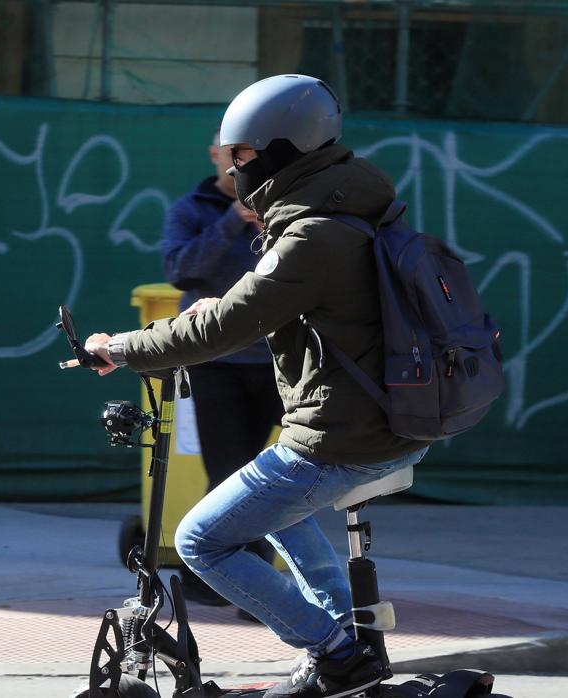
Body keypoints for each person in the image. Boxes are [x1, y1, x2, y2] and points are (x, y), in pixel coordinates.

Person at [82, 75, 430, 698]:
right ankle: (347, 645)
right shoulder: (356, 210)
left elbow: (222, 329)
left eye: (242, 155)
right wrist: (231, 304)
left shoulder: (311, 233)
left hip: (341, 435)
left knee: (200, 541)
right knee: (275, 510)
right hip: (389, 424)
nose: (235, 167)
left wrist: (120, 348)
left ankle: (337, 651)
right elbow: (305, 316)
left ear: (280, 151)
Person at [161, 131, 285, 610]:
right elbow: (181, 270)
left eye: (245, 156)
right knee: (231, 474)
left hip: (277, 361)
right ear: (215, 156)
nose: (237, 165)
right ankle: (239, 581)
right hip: (216, 364)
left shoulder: (283, 208)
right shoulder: (191, 210)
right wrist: (234, 220)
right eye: (228, 154)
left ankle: (251, 581)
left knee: (284, 474)